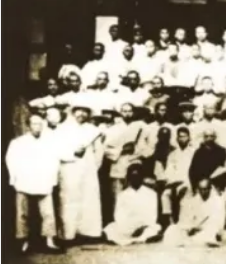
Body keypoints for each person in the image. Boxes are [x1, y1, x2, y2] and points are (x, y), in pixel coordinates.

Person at [6, 114, 63, 254]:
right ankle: (23, 241)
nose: (37, 127)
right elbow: (11, 160)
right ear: (28, 125)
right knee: (22, 213)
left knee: (48, 213)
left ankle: (49, 240)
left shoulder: (49, 143)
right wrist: (14, 178)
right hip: (24, 180)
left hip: (43, 180)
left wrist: (52, 179)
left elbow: (54, 161)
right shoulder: (18, 142)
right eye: (34, 124)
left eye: (40, 124)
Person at [55, 104, 104, 245]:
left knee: (89, 199)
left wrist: (94, 167)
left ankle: (89, 233)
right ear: (73, 112)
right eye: (79, 111)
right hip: (69, 168)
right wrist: (72, 154)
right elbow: (57, 149)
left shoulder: (93, 130)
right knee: (69, 200)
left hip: (88, 169)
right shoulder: (62, 129)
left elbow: (99, 151)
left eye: (85, 111)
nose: (81, 114)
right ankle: (69, 234)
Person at [104, 162, 161, 246]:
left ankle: (144, 237)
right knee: (110, 228)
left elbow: (152, 215)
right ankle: (136, 239)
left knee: (155, 228)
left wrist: (143, 227)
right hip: (127, 226)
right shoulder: (122, 195)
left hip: (143, 225)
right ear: (129, 178)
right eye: (133, 176)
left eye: (138, 176)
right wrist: (127, 228)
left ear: (142, 178)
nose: (135, 179)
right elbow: (118, 215)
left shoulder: (151, 194)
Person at [163, 177, 226, 247]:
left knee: (209, 234)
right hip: (193, 231)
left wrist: (200, 228)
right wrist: (190, 228)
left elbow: (219, 222)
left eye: (205, 189)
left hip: (208, 230)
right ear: (198, 189)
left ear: (210, 189)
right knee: (172, 229)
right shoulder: (194, 201)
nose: (203, 192)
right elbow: (186, 219)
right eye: (201, 189)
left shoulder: (218, 201)